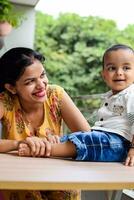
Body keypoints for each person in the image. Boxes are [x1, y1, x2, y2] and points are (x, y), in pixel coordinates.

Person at [19, 44, 134, 167]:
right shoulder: (110, 96)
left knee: (87, 141)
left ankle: (45, 150)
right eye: (112, 68)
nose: (119, 73)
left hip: (119, 143)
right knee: (70, 138)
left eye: (126, 68)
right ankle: (42, 145)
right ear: (104, 75)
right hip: (104, 139)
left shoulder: (131, 94)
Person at [0, 47, 90, 200]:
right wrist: (19, 143)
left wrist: (62, 142)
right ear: (11, 87)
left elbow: (88, 138)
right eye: (30, 81)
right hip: (19, 174)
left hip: (56, 172)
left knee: (69, 191)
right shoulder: (5, 100)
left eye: (42, 75)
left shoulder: (56, 95)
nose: (41, 85)